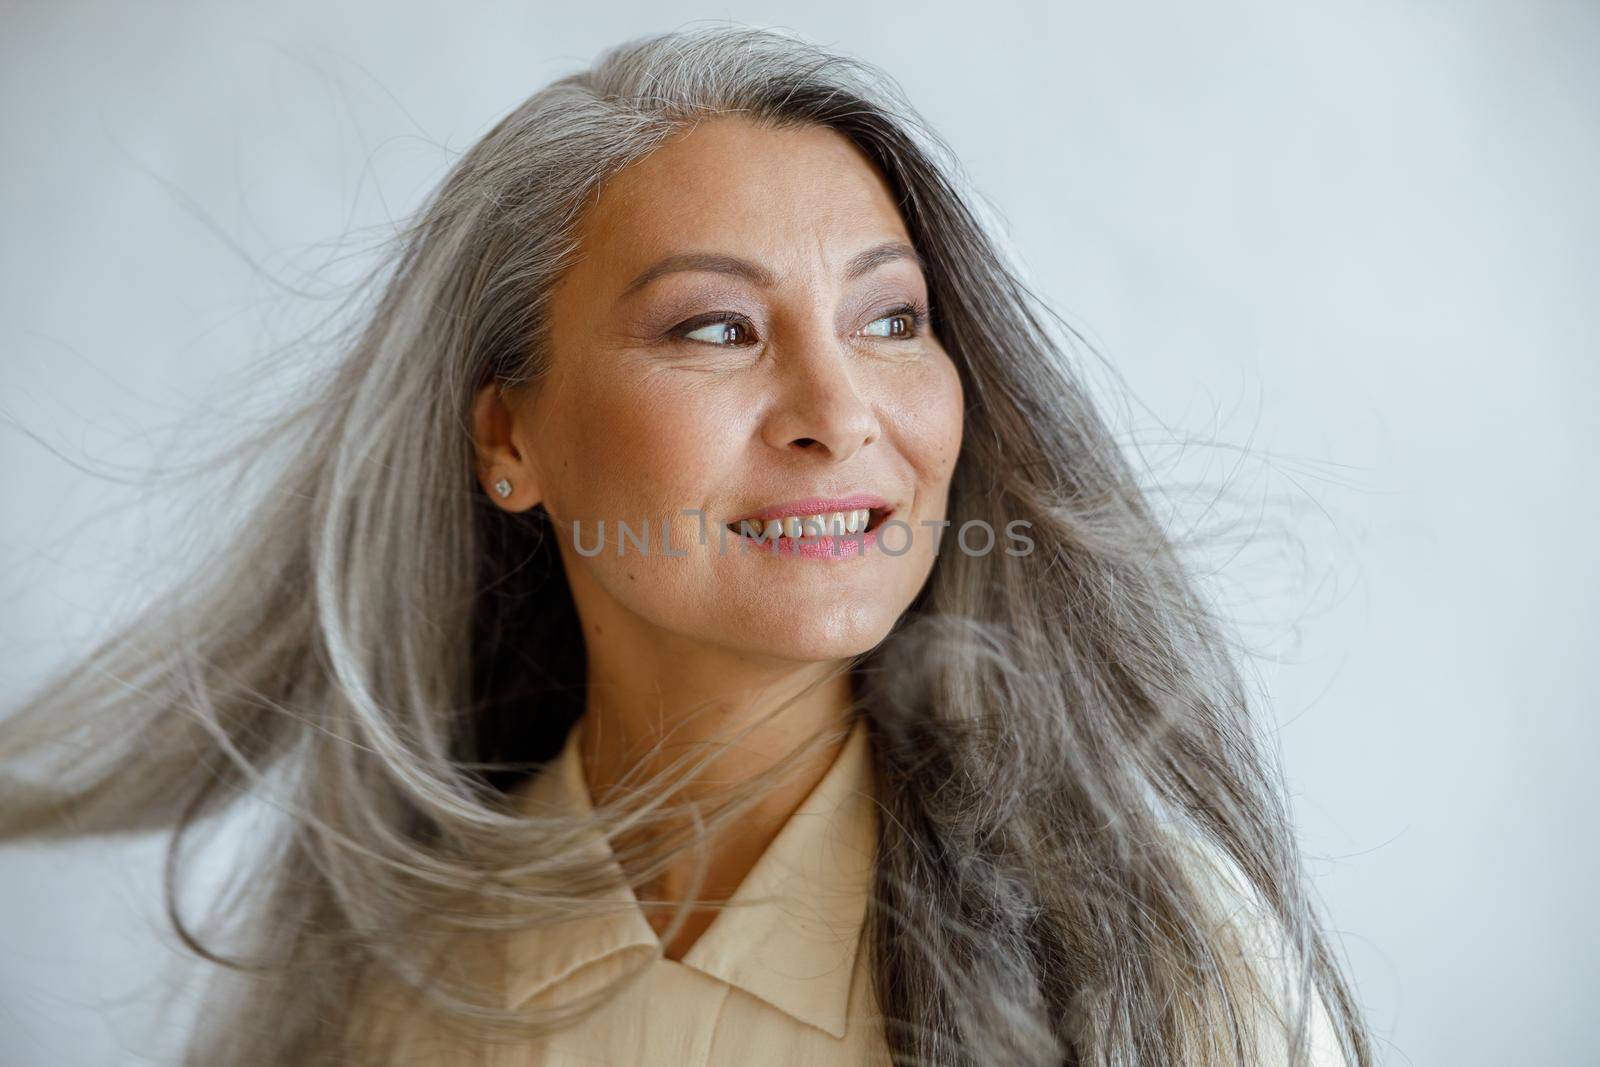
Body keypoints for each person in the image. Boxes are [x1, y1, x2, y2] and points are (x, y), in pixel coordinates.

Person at [0, 23, 1374, 1067]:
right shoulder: (388, 993)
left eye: (892, 320)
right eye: (715, 328)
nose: (840, 416)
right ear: (507, 440)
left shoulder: (1157, 957)